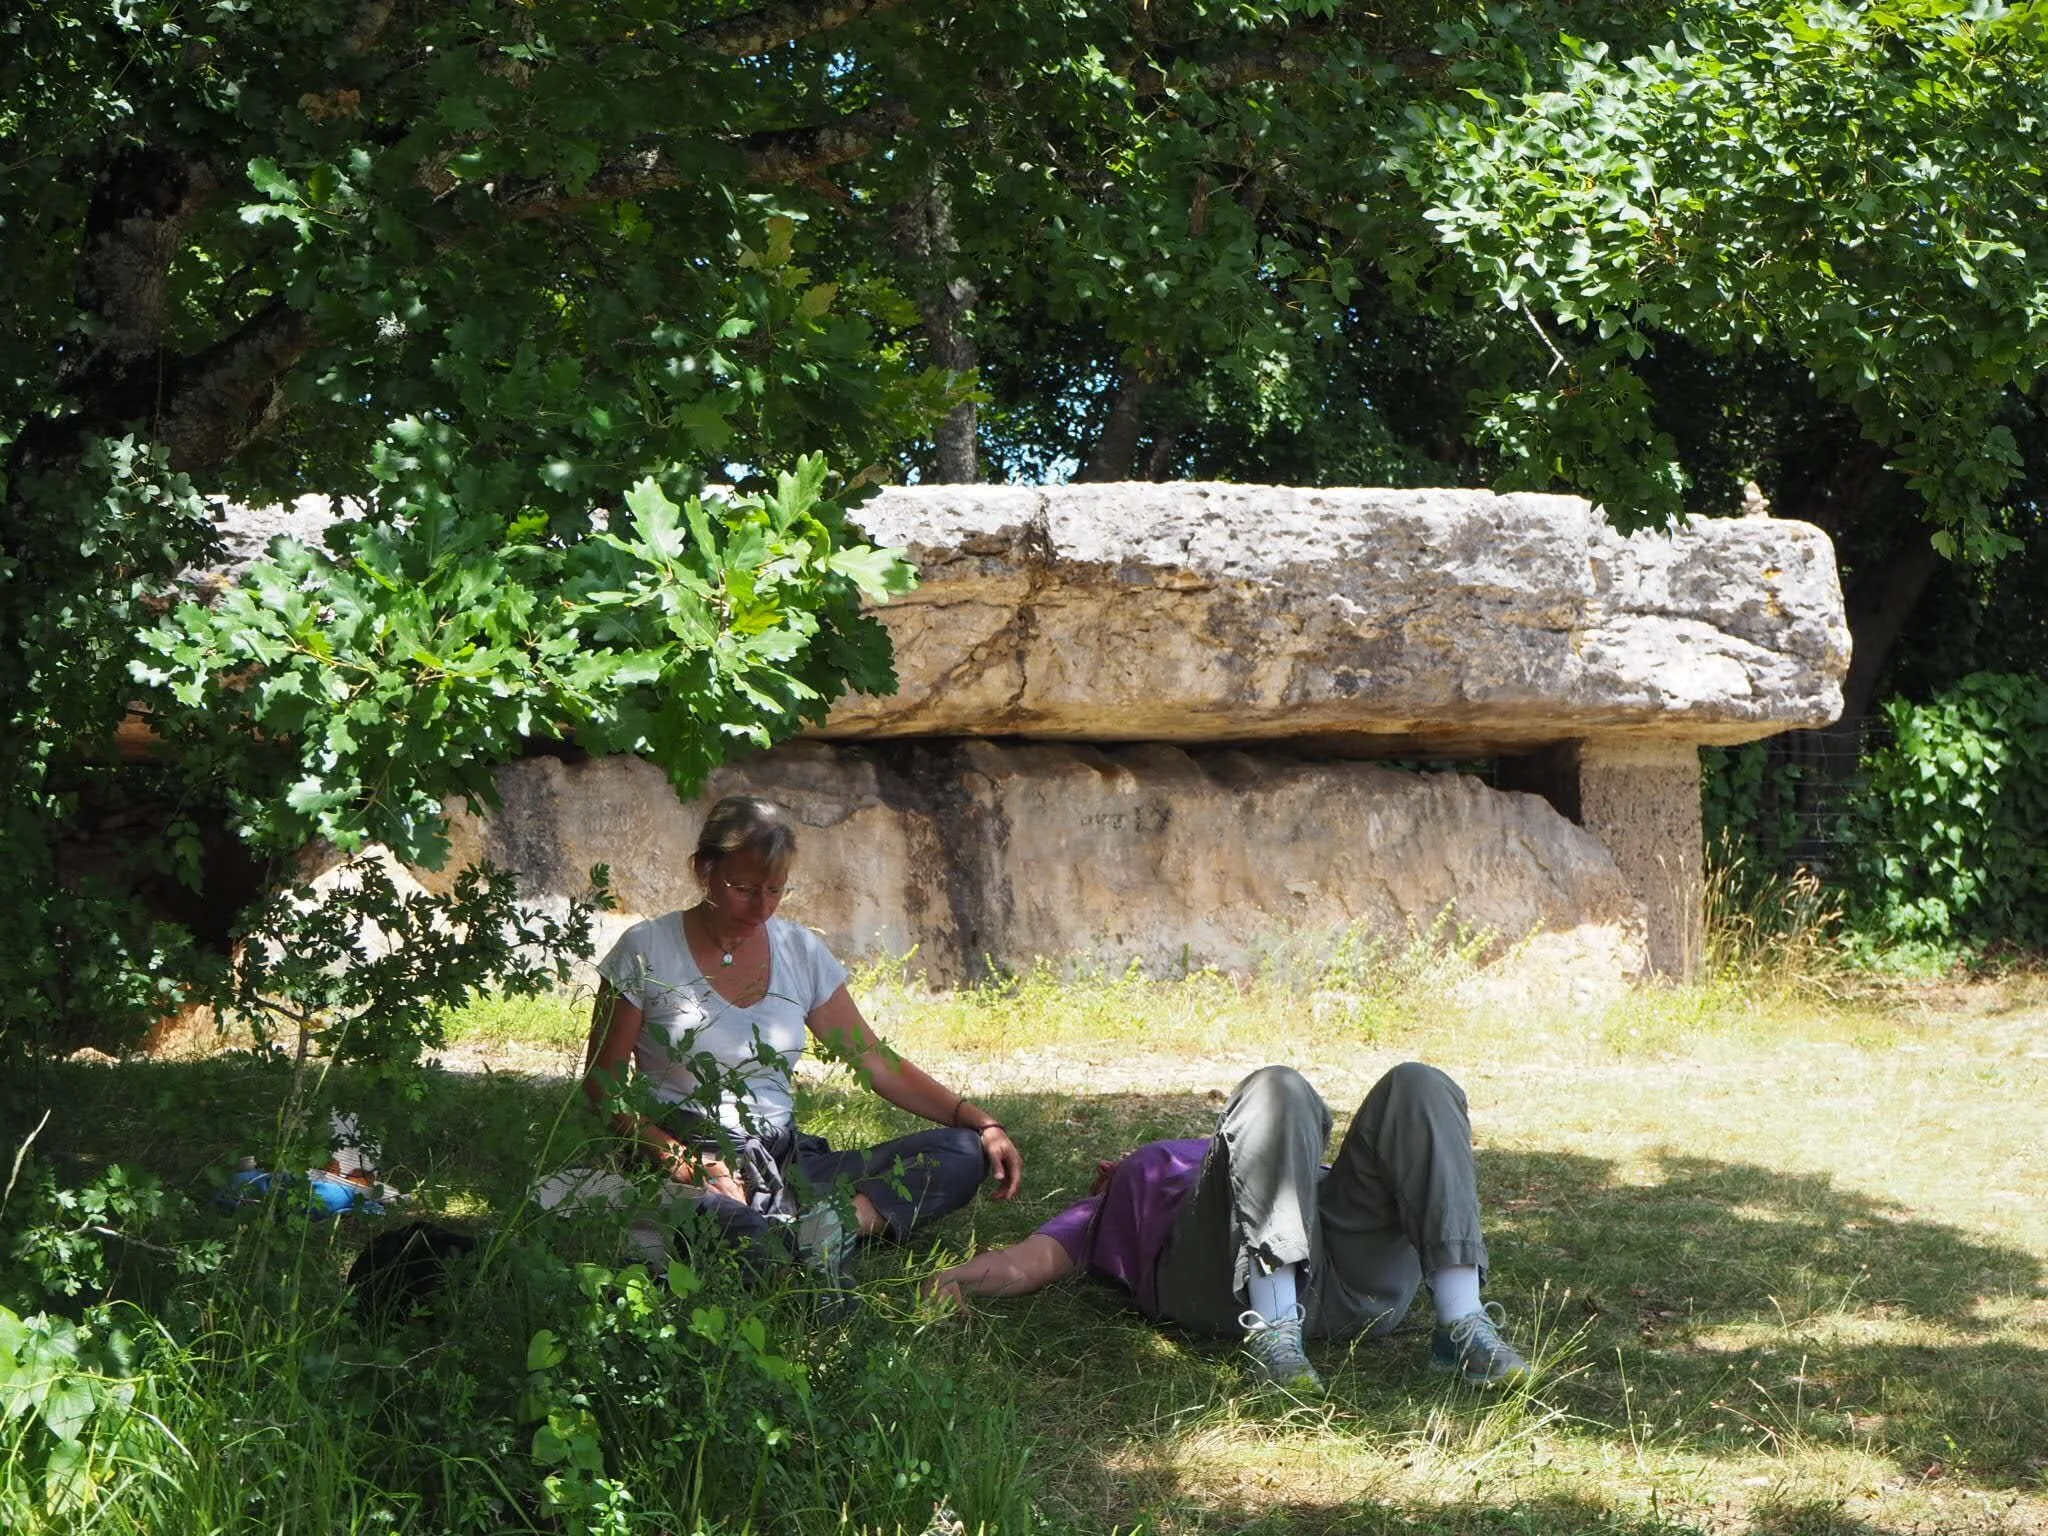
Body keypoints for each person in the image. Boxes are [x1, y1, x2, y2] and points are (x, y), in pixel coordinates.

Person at [582, 794, 1022, 1276]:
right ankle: (763, 1238)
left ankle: (825, 1228)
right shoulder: (645, 949)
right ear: (703, 868)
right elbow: (603, 1088)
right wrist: (684, 1161)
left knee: (961, 1153)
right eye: (745, 888)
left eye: (775, 890)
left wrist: (979, 1121)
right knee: (728, 1230)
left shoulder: (799, 950)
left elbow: (872, 1058)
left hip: (786, 1160)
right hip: (691, 1151)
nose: (761, 908)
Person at [923, 1062, 1528, 1393]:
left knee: (1418, 1084)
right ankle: (1272, 1332)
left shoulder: (1259, 1146)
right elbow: (1031, 1261)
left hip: (1348, 1270)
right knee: (1277, 1086)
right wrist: (955, 1280)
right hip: (1221, 1283)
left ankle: (1461, 1323)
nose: (1105, 1167)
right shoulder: (1103, 1210)